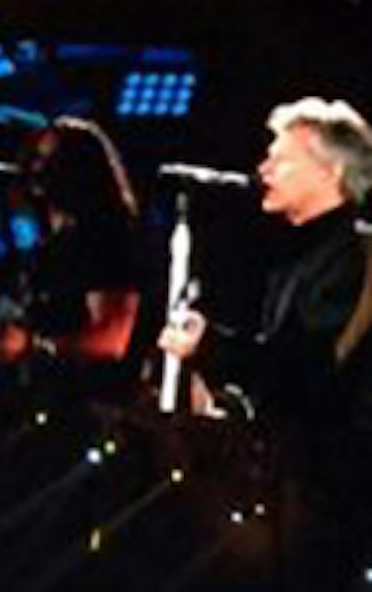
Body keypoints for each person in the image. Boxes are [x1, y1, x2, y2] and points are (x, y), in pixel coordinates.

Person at [159, 97, 372, 441]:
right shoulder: (302, 255)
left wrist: (211, 347)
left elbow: (309, 373)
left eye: (282, 160)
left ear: (330, 171)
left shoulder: (351, 258)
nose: (263, 169)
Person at [0, 116, 144, 374]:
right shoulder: (47, 244)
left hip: (90, 400)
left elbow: (113, 338)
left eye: (51, 161)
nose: (38, 170)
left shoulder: (106, 241)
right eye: (35, 158)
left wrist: (33, 346)